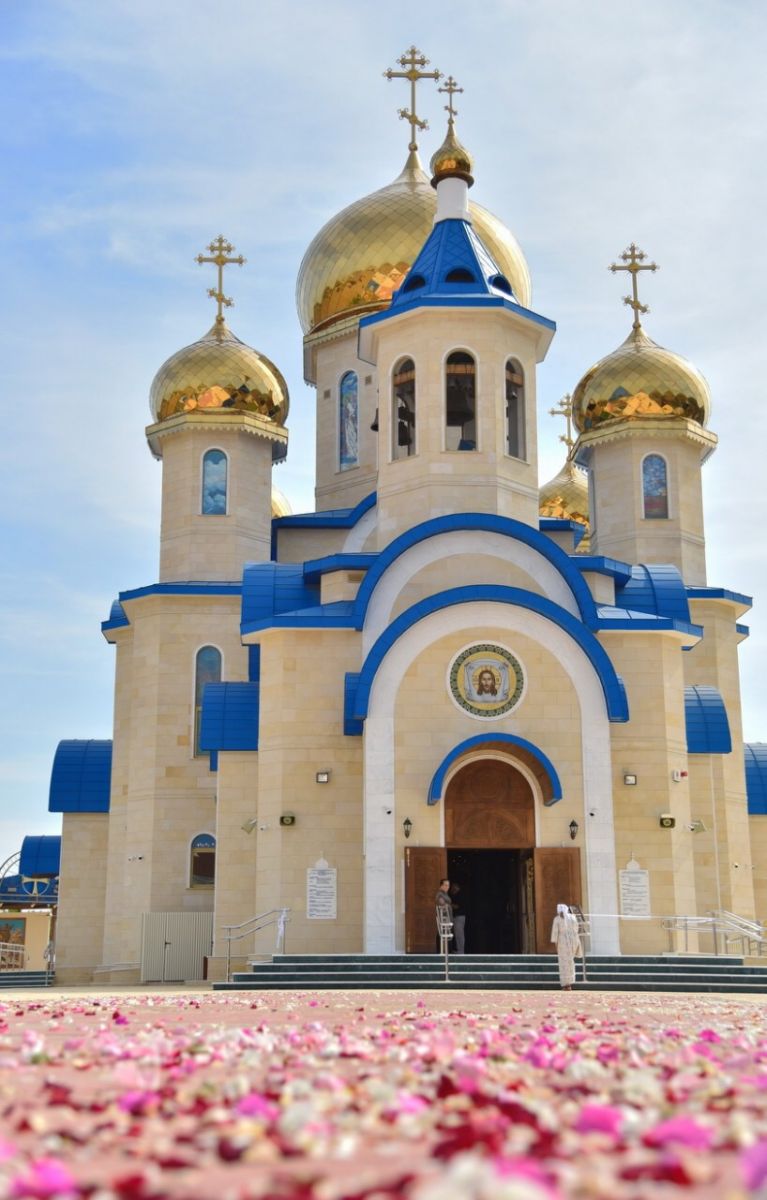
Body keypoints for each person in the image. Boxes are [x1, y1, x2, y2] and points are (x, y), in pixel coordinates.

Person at [550, 903, 581, 989]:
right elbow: (576, 929)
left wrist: (556, 945)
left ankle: (566, 984)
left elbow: (555, 933)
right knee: (570, 961)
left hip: (562, 942)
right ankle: (570, 982)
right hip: (572, 941)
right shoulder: (573, 917)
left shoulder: (557, 919)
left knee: (564, 963)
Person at [435, 878, 452, 951]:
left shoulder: (445, 894)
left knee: (445, 935)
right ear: (441, 886)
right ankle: (441, 952)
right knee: (442, 934)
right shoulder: (440, 894)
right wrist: (446, 905)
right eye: (445, 885)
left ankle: (445, 951)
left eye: (448, 885)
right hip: (443, 917)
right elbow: (441, 903)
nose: (447, 887)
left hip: (447, 918)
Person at [450, 882, 466, 954]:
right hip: (457, 916)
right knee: (457, 934)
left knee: (459, 934)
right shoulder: (456, 895)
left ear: (456, 887)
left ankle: (461, 951)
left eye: (453, 887)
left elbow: (457, 906)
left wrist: (449, 905)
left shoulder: (460, 895)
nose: (452, 889)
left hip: (459, 916)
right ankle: (459, 950)